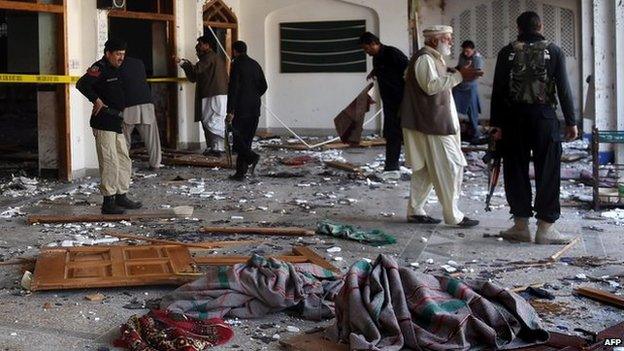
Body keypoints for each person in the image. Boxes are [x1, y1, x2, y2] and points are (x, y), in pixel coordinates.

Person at [491, 11, 578, 245]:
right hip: (544, 118)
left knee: (515, 169)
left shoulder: (507, 51)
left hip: (513, 119)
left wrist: (496, 125)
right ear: (540, 27)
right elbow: (564, 89)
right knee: (548, 170)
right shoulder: (555, 51)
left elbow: (498, 91)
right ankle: (546, 229)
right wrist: (571, 121)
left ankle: (521, 226)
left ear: (519, 28)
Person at [400, 25, 482, 227]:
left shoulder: (435, 58)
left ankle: (415, 210)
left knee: (425, 169)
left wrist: (455, 73)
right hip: (431, 125)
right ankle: (453, 216)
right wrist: (459, 76)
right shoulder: (424, 59)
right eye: (447, 38)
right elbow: (430, 87)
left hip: (434, 122)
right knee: (451, 166)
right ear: (435, 40)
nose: (451, 42)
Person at [76, 39, 142, 215]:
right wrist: (95, 99)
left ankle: (121, 195)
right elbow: (81, 84)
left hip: (116, 121)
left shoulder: (117, 69)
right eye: (118, 54)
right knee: (109, 161)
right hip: (103, 121)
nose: (121, 57)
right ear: (108, 54)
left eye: (123, 54)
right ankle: (109, 201)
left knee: (123, 159)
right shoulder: (99, 68)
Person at [360, 32, 408, 179]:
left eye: (366, 48)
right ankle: (391, 166)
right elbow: (383, 68)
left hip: (401, 100)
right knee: (391, 132)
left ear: (373, 43)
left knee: (397, 133)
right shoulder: (376, 58)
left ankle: (393, 166)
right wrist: (374, 72)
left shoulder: (392, 53)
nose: (366, 52)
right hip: (389, 101)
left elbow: (409, 70)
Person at [177, 35, 229, 157]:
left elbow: (195, 71)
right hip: (214, 94)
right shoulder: (212, 58)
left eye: (200, 44)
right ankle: (215, 147)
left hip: (212, 95)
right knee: (214, 121)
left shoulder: (209, 57)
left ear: (207, 45)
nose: (197, 47)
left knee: (211, 121)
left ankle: (217, 148)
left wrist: (182, 62)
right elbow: (194, 77)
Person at [226, 40, 268, 181]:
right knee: (247, 140)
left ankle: (251, 157)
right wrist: (254, 96)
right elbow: (264, 85)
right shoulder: (255, 64)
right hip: (254, 107)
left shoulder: (237, 65)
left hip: (241, 108)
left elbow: (233, 88)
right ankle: (240, 173)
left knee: (238, 140)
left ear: (235, 51)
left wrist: (230, 110)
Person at [119, 56, 163, 170]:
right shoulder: (139, 62)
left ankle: (123, 166)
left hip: (129, 105)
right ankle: (155, 164)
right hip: (146, 102)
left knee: (124, 138)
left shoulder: (116, 65)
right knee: (152, 137)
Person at [452, 40, 486, 144]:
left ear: (473, 50)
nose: (465, 53)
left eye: (467, 51)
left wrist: (466, 72)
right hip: (460, 85)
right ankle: (454, 130)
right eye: (464, 51)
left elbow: (477, 73)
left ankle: (475, 132)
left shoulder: (477, 58)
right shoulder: (462, 55)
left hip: (470, 86)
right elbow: (459, 67)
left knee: (472, 110)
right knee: (452, 105)